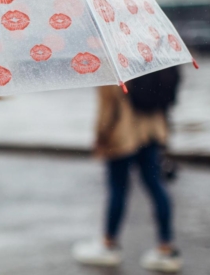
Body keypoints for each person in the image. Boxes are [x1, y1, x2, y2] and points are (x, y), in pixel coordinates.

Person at [73, 68, 182, 272]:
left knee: (118, 187)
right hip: (152, 130)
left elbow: (108, 106)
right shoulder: (147, 53)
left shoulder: (112, 62)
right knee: (155, 185)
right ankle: (166, 247)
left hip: (123, 133)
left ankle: (108, 245)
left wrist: (100, 136)